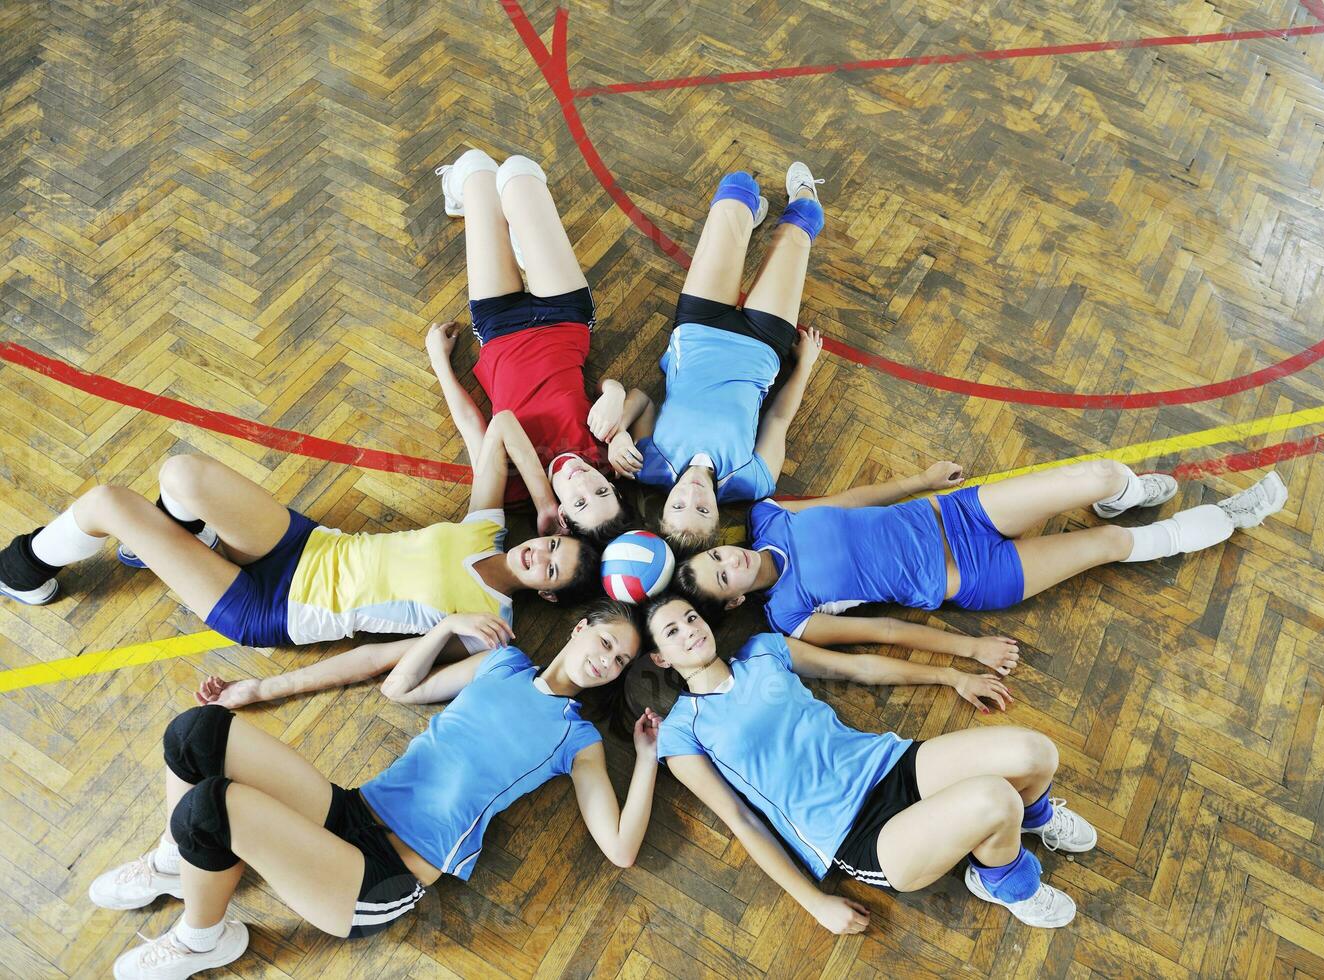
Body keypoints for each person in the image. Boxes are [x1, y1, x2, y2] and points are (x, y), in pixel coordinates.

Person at [90, 602, 661, 979]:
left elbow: (619, 848)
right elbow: (398, 688)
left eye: (620, 661)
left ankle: (202, 938)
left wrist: (645, 758)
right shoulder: (501, 663)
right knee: (196, 732)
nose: (606, 662)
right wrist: (443, 629)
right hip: (349, 809)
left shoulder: (577, 738)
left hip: (385, 873)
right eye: (606, 642)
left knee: (209, 807)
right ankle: (175, 862)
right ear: (580, 627)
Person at [0, 412, 599, 672]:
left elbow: (392, 676)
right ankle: (169, 541)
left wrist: (263, 688)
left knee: (108, 502)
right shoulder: (486, 528)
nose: (538, 553)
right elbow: (500, 428)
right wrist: (546, 501)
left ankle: (19, 569)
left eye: (549, 570)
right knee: (180, 474)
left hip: (270, 610)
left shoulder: (485, 625)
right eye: (551, 546)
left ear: (545, 597)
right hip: (306, 546)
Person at [645, 595, 1096, 933]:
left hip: (888, 764)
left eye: (690, 618)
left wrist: (950, 675)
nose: (689, 631)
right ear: (660, 658)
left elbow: (857, 669)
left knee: (1037, 754)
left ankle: (1036, 820)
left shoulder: (764, 651)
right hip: (855, 833)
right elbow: (741, 820)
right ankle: (1005, 882)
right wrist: (816, 904)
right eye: (672, 632)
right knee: (996, 799)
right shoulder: (683, 730)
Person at [675, 461, 1289, 673]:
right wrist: (966, 652)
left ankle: (1119, 493)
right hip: (979, 578)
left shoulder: (770, 517)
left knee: (1100, 478)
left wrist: (919, 481)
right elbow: (884, 634)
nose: (732, 559)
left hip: (959, 512)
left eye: (719, 554)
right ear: (732, 602)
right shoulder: (790, 615)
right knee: (1107, 546)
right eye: (724, 575)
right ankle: (1232, 517)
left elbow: (852, 502)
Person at [604, 164, 828, 555]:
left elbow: (640, 396)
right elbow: (778, 419)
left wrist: (619, 431)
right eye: (702, 509)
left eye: (678, 505)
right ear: (718, 517)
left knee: (738, 185)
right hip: (763, 343)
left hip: (698, 327)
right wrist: (805, 364)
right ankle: (804, 194)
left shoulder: (650, 465)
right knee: (806, 218)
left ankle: (748, 216)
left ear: (665, 505)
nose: (690, 494)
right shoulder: (754, 481)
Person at [433, 148, 650, 542]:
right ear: (613, 486)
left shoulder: (512, 489)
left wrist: (440, 362)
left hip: (499, 326)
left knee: (478, 170)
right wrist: (617, 407)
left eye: (581, 502)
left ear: (564, 517)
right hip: (565, 317)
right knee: (518, 172)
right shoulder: (605, 459)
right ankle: (518, 237)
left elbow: (474, 424)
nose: (584, 483)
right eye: (601, 491)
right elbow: (633, 395)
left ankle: (462, 196)